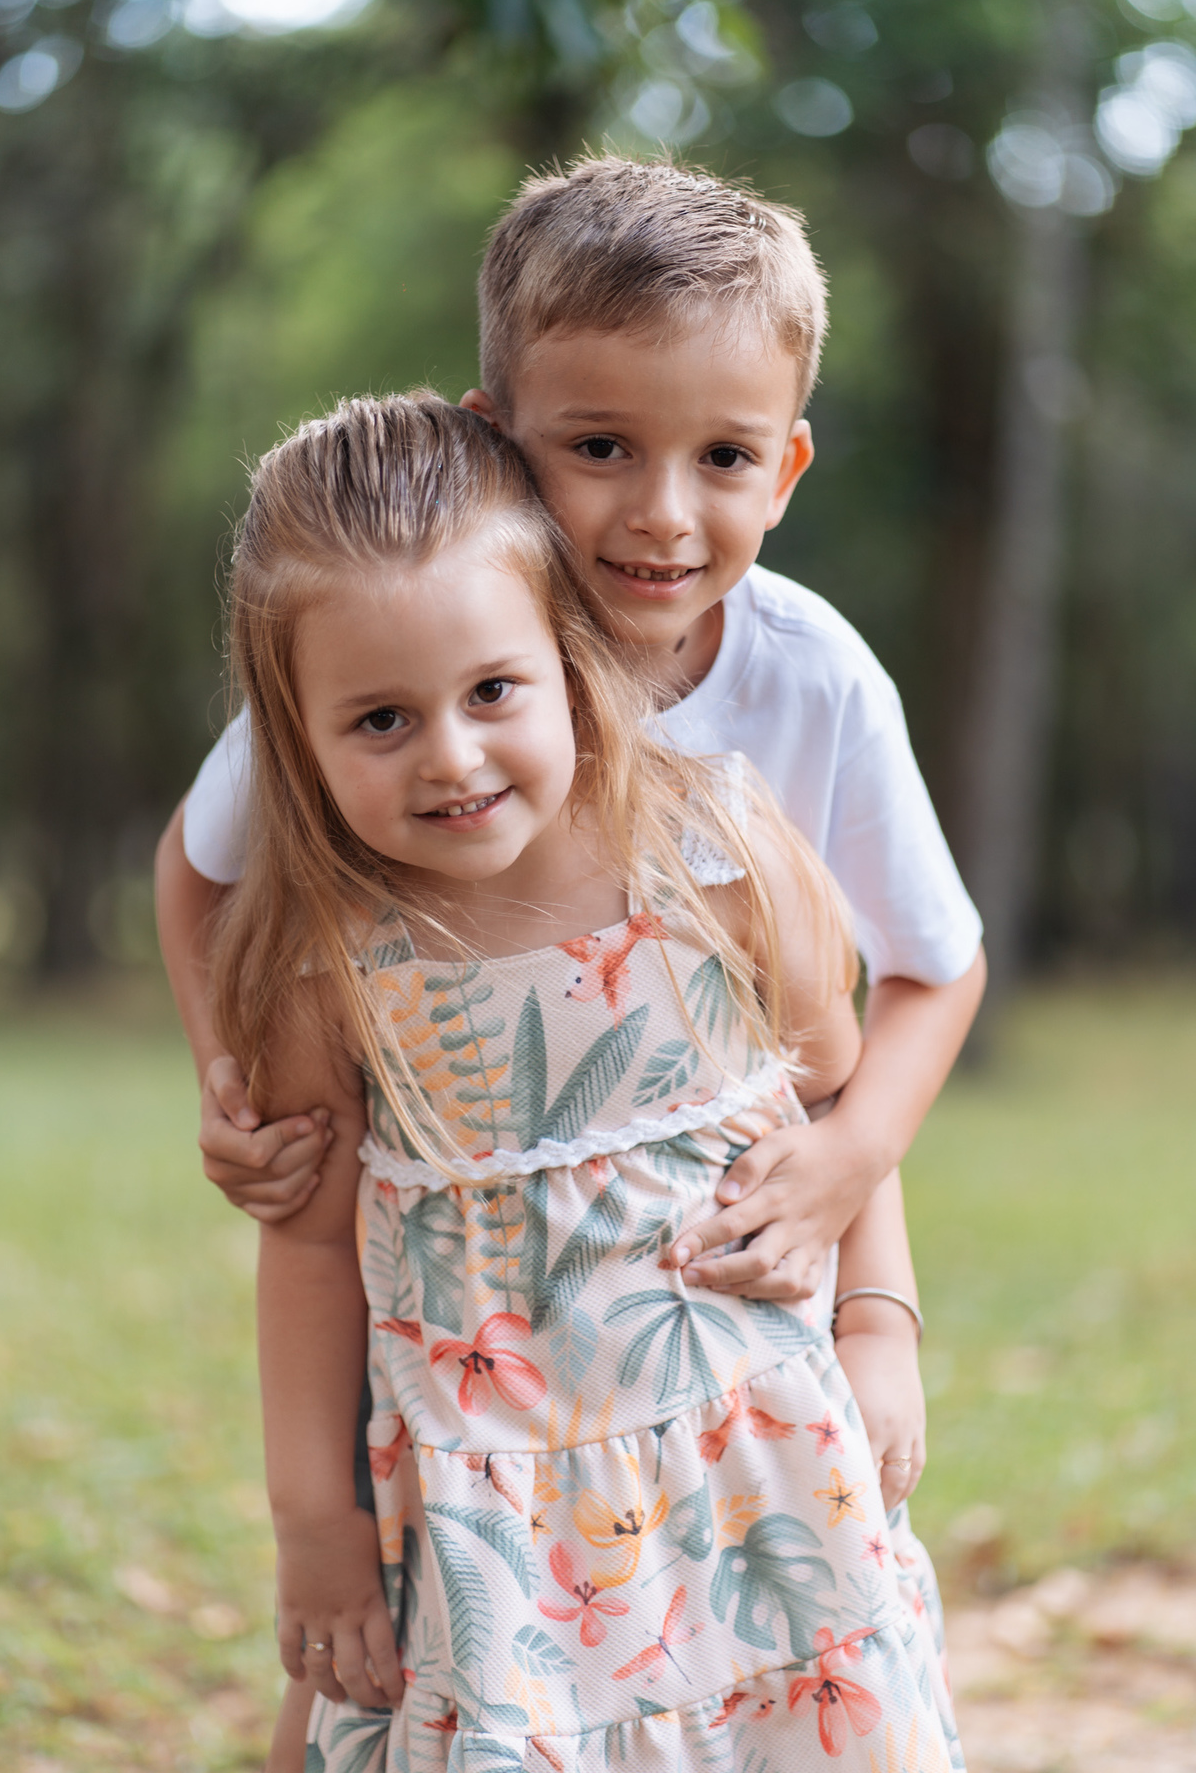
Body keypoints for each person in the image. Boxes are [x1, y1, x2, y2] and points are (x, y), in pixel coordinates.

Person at [213, 390, 964, 1770]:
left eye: (492, 692)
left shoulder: (721, 852)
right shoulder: (326, 962)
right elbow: (311, 1254)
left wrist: (878, 1325)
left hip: (758, 1474)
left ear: (564, 654)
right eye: (380, 720)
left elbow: (836, 1112)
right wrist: (314, 1525)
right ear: (293, 740)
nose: (452, 757)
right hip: (492, 1521)